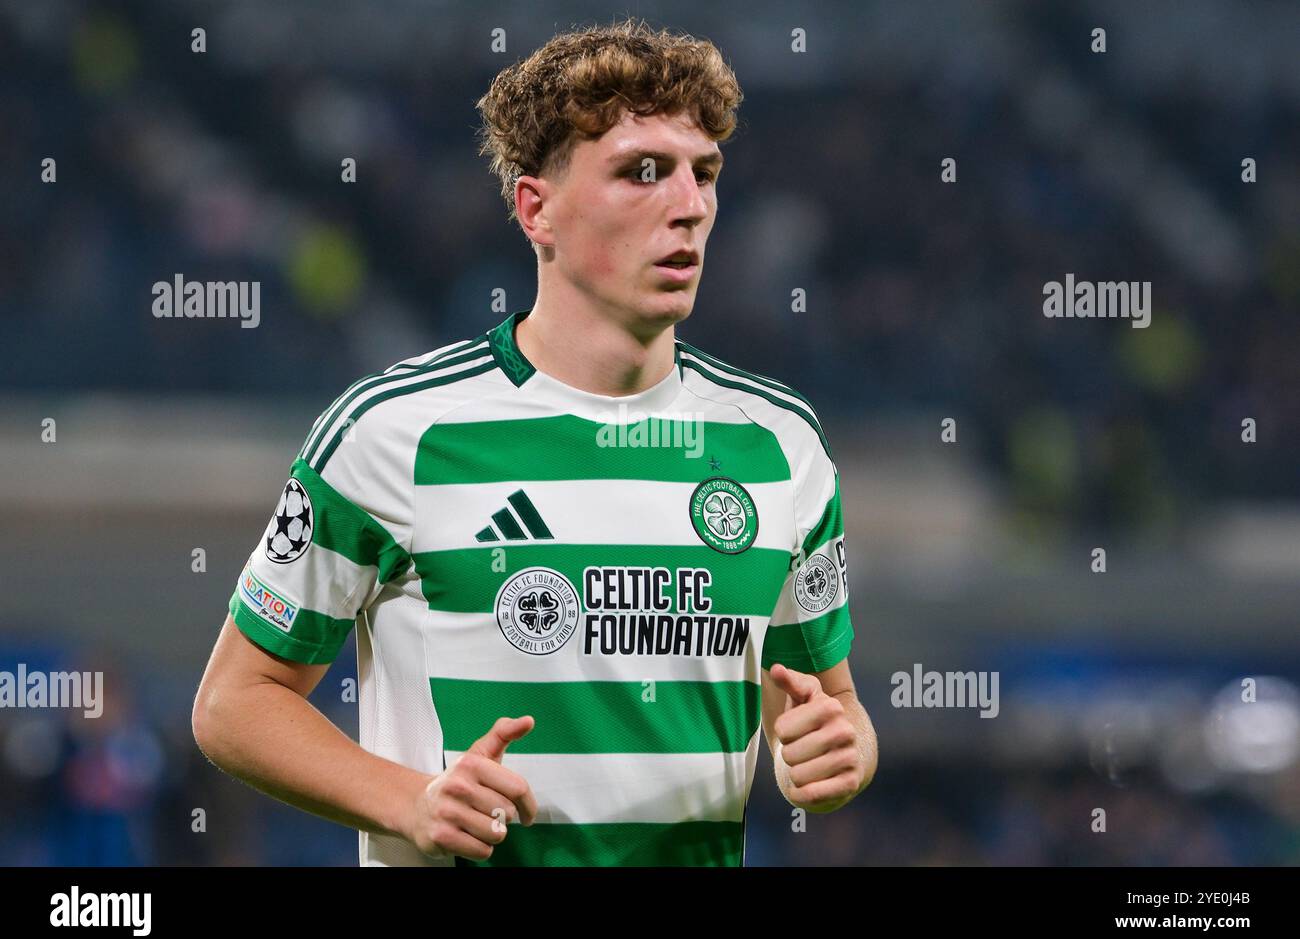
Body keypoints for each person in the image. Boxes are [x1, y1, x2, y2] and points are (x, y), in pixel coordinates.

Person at [193, 17, 876, 867]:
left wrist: (839, 751)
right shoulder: (391, 432)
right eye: (644, 173)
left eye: (704, 174)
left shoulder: (780, 444)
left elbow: (828, 707)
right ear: (535, 208)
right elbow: (233, 703)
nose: (691, 206)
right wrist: (409, 802)